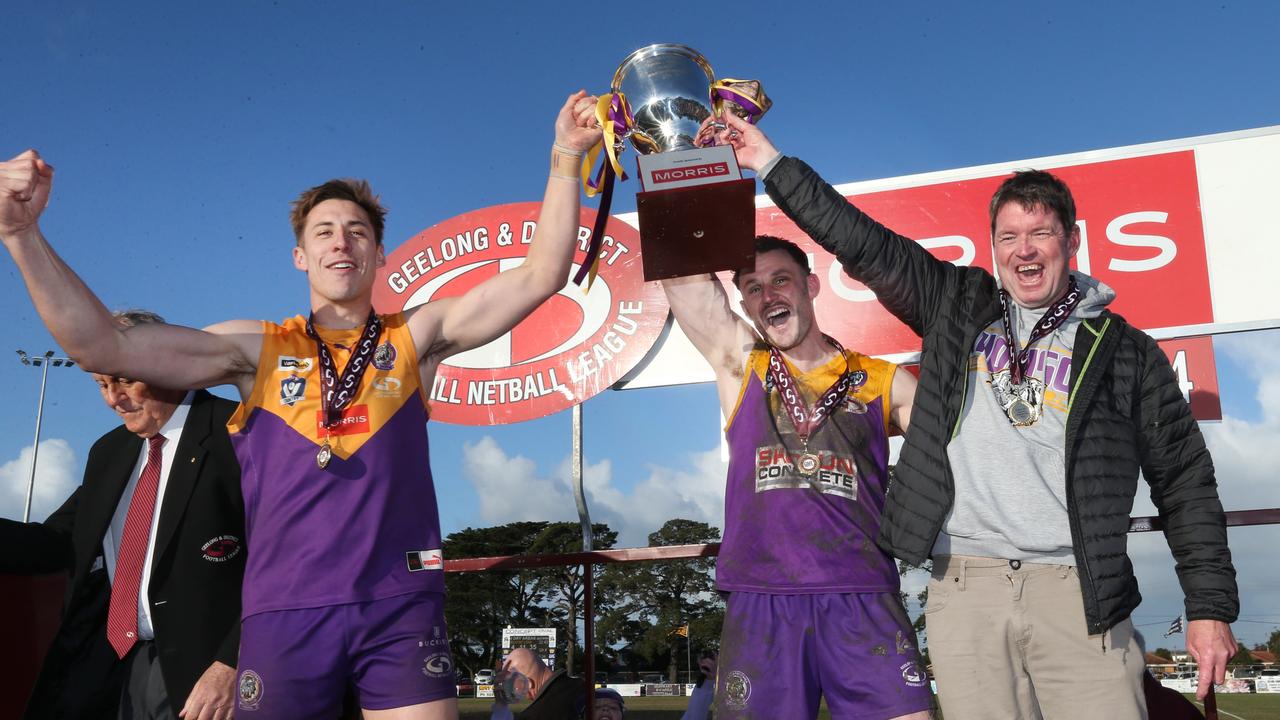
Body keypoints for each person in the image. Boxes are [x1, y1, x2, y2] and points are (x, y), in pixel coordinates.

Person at [0, 91, 602, 720]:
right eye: (324, 232)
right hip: (282, 616)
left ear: (377, 254)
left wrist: (564, 158)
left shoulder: (416, 336)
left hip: (398, 606)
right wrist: (20, 234)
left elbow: (541, 274)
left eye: (358, 232)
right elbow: (102, 342)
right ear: (300, 255)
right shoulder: (253, 347)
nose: (341, 242)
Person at [706, 111, 1240, 719]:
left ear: (1072, 240)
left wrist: (1210, 605)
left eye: (1040, 233)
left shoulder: (1126, 351)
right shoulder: (957, 305)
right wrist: (772, 164)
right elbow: (861, 240)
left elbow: (1185, 481)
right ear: (994, 249)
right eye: (1009, 238)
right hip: (966, 587)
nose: (1025, 250)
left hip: (1078, 590)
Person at [661, 235, 930, 720]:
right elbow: (684, 283)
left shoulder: (881, 380)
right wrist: (670, 173)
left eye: (780, 280)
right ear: (743, 303)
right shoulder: (743, 365)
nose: (769, 296)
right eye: (754, 287)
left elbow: (954, 454)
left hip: (862, 593)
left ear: (810, 286)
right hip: (764, 598)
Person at [0, 310, 245, 720]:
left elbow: (287, 562)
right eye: (101, 384)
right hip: (121, 672)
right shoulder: (108, 453)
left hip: (209, 678)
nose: (113, 399)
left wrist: (233, 664)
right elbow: (58, 541)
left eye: (124, 380)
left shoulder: (240, 434)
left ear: (165, 361)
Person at [489, 648, 581, 720]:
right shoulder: (583, 687)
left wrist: (500, 709)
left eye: (512, 685)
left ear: (528, 684)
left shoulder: (533, 715)